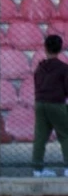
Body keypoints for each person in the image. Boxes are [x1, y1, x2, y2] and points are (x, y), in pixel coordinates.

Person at [31, 33, 68, 178]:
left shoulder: (40, 68)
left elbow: (36, 84)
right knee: (65, 136)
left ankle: (37, 169)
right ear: (60, 49)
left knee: (40, 137)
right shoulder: (63, 68)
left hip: (40, 103)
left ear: (45, 48)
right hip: (57, 104)